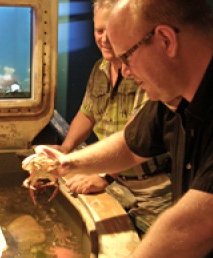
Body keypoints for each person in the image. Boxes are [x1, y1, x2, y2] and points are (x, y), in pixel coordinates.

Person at [25, 0, 213, 258]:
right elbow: (129, 145)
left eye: (127, 56)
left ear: (166, 40)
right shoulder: (173, 95)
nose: (124, 70)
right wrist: (63, 163)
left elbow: (196, 225)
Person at [50, 0, 172, 234]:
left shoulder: (145, 71)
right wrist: (65, 148)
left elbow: (133, 139)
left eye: (110, 30)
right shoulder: (100, 68)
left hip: (150, 189)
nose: (104, 39)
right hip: (114, 176)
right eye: (98, 30)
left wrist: (104, 175)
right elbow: (87, 113)